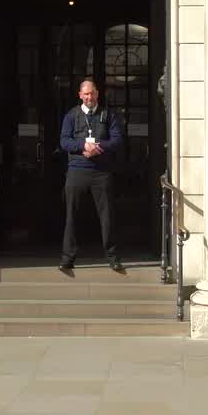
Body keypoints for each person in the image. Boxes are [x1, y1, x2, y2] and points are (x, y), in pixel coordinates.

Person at [58, 78, 125, 273]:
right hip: (77, 170)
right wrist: (82, 146)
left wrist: (98, 147)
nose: (89, 97)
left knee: (107, 216)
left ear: (97, 94)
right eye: (86, 94)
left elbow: (118, 140)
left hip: (101, 172)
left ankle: (113, 258)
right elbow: (64, 141)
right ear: (80, 95)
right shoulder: (71, 115)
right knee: (72, 216)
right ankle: (67, 259)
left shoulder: (108, 114)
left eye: (92, 93)